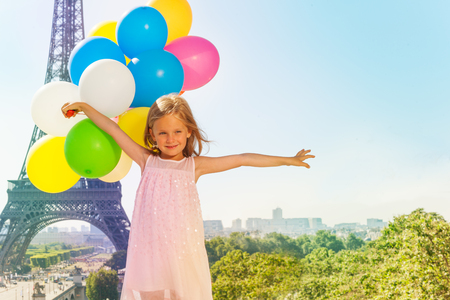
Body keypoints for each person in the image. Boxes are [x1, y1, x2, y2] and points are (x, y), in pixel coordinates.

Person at [61, 94, 314, 300]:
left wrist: (288, 161)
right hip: (150, 254)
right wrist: (84, 107)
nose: (170, 139)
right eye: (163, 133)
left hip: (183, 254)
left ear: (189, 132)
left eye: (177, 132)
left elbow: (243, 159)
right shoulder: (146, 160)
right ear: (151, 134)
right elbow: (110, 128)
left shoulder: (194, 166)